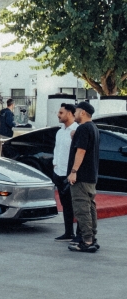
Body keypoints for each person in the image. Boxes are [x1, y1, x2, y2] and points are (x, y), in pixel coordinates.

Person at [67, 101, 100, 253]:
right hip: (91, 175)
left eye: (76, 110)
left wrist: (73, 171)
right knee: (90, 207)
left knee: (82, 209)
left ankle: (87, 241)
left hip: (81, 176)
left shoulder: (83, 128)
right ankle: (92, 238)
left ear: (83, 112)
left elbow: (81, 152)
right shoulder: (93, 128)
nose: (74, 113)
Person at [51, 102, 77, 242]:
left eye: (61, 113)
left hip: (72, 174)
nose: (58, 115)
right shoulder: (60, 131)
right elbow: (57, 150)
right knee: (65, 204)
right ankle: (68, 232)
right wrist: (55, 165)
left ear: (69, 113)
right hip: (59, 173)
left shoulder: (77, 130)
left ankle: (80, 235)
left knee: (77, 205)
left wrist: (74, 172)